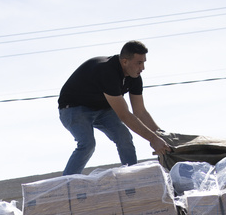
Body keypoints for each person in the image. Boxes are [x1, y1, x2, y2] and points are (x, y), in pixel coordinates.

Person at [57, 40, 171, 176]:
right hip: (73, 107)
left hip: (102, 108)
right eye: (139, 63)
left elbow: (140, 112)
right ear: (124, 62)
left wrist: (161, 136)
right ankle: (67, 184)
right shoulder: (107, 71)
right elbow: (124, 115)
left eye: (144, 62)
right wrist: (153, 139)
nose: (143, 68)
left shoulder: (135, 77)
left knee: (124, 137)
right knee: (87, 143)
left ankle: (133, 179)